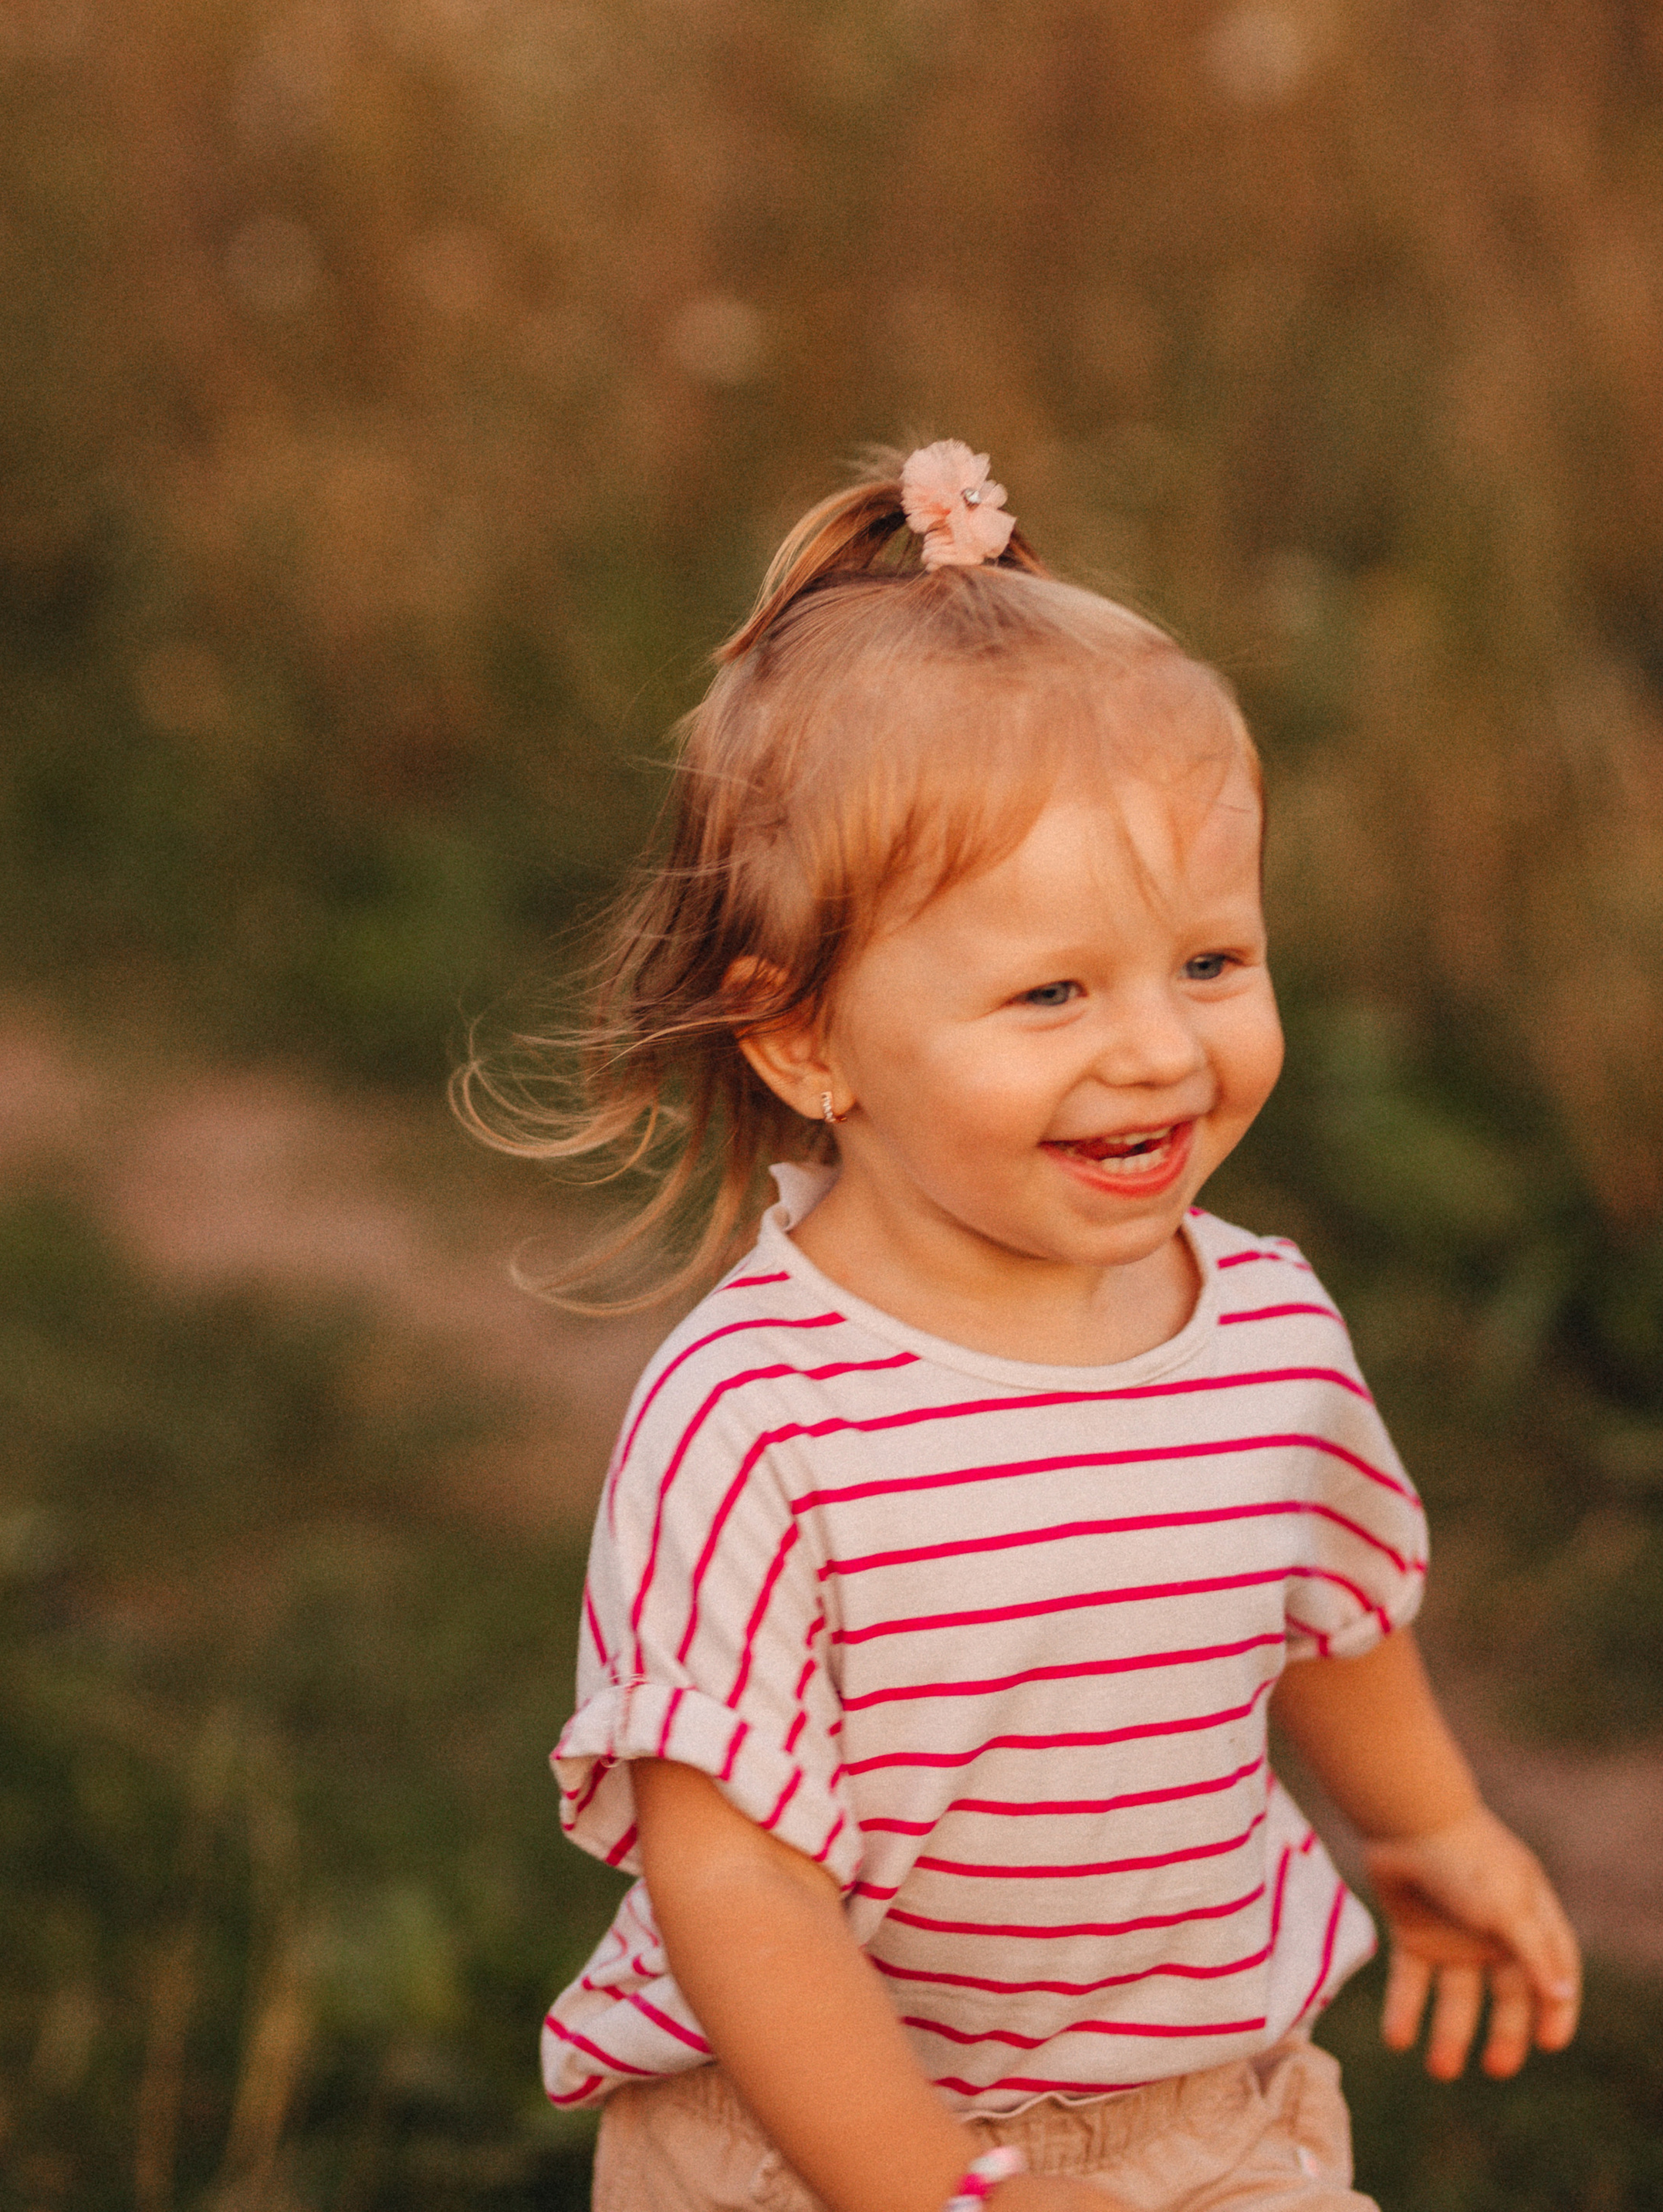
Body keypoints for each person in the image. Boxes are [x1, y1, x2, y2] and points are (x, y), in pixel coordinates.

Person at [462, 441, 1581, 2212]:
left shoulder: (1267, 1329)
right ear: (804, 1041)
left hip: (1204, 2120)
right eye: (1050, 991)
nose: (1153, 1050)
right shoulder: (759, 1414)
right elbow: (734, 1886)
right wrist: (934, 2193)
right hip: (814, 2143)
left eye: (1207, 963)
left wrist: (1424, 1820)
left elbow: (1328, 1605)